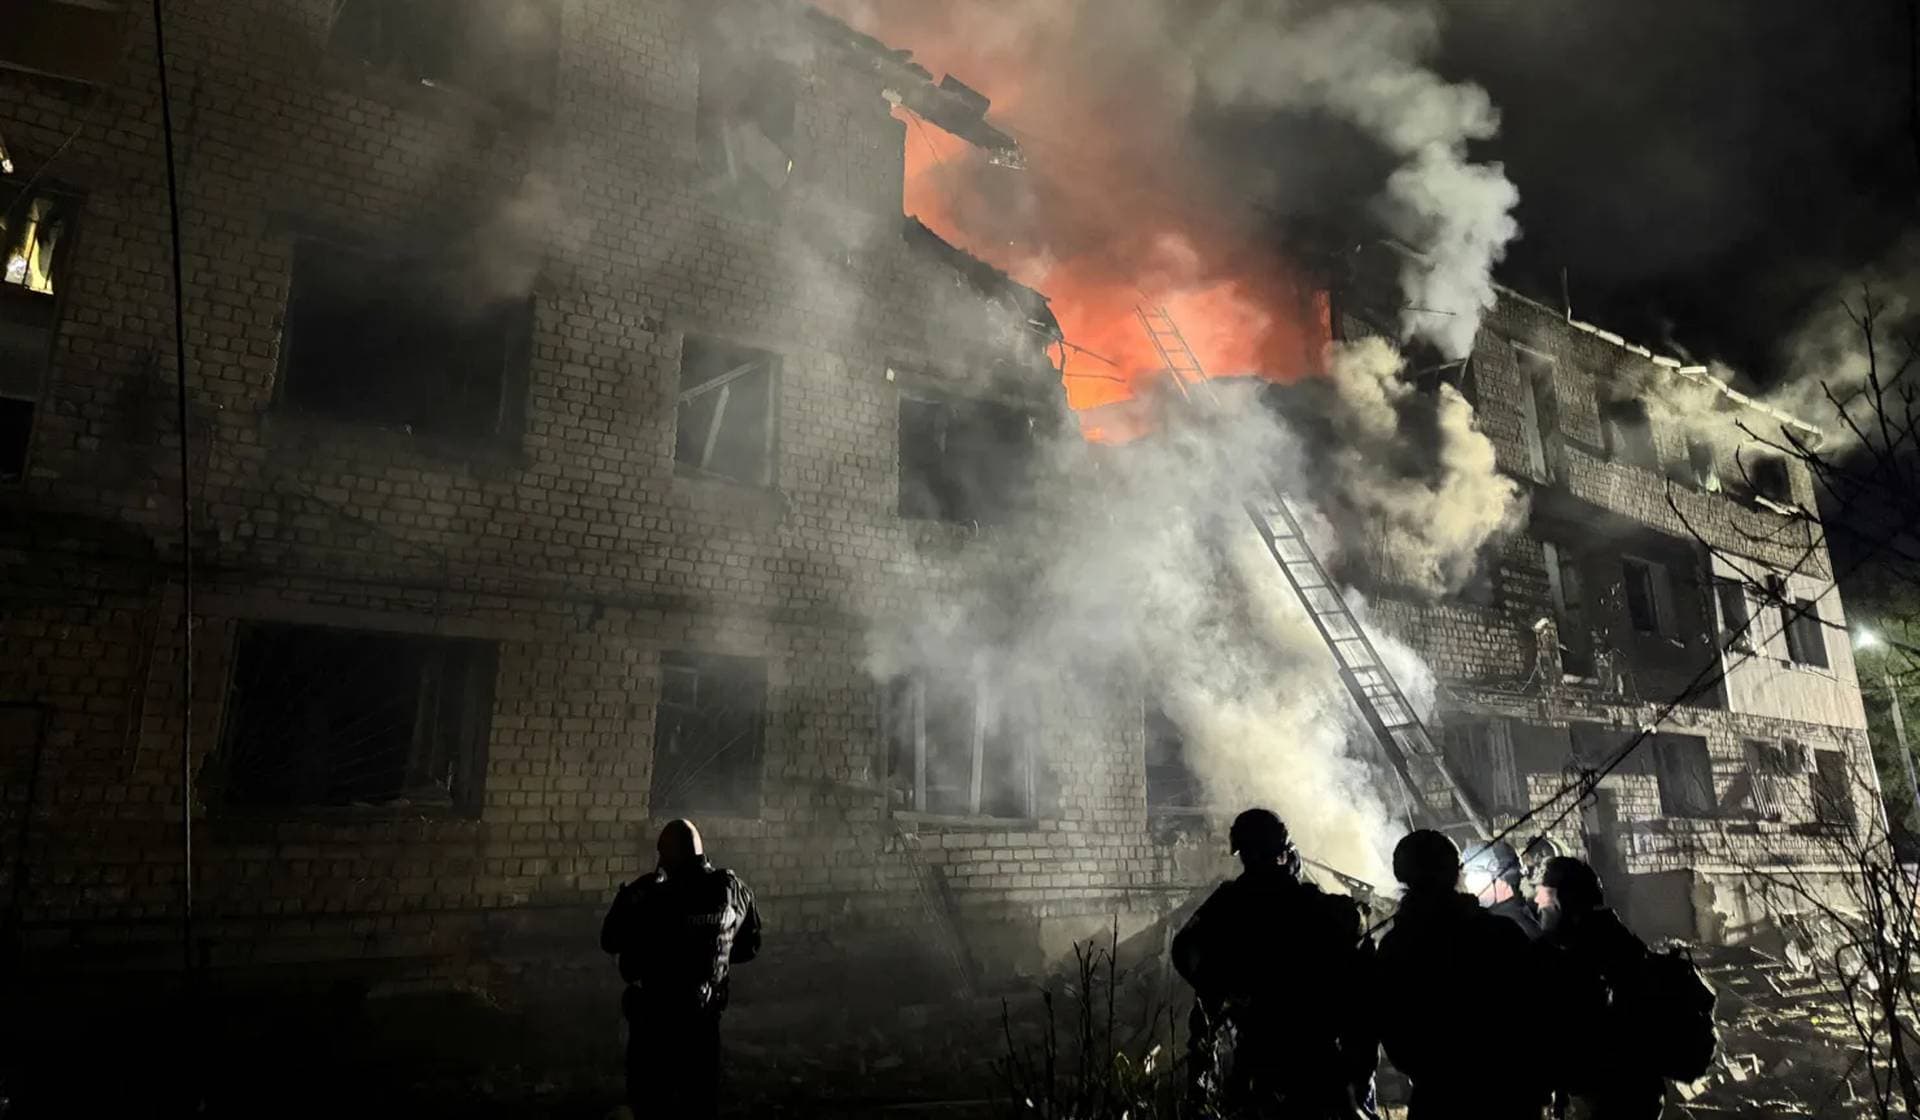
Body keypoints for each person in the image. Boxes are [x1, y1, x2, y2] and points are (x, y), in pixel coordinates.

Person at [1171, 808, 1378, 1119]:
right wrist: (1359, 912)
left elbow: (1183, 950)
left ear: (1241, 852)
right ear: (1283, 851)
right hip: (1312, 1050)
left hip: (1255, 1046)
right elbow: (1354, 940)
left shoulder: (1228, 902)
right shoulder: (1307, 901)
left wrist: (1222, 990)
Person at [1374, 830, 1546, 1120]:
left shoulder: (1395, 947)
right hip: (1508, 1097)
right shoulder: (1501, 935)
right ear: (1457, 872)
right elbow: (1537, 1017)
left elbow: (1396, 1040)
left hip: (1438, 1100)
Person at [600, 819, 762, 1120]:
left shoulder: (653, 895)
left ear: (672, 854)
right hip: (704, 1026)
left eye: (662, 853)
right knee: (699, 1104)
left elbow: (609, 940)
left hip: (656, 1028)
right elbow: (748, 947)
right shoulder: (733, 889)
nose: (659, 861)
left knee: (651, 1105)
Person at [1534, 857, 1666, 1120]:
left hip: (1612, 1096)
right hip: (1630, 1093)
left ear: (1565, 900)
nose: (1537, 901)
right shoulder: (1614, 940)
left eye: (1544, 894)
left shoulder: (1587, 953)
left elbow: (1569, 1030)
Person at [1464, 840, 1541, 939]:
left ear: (1503, 879)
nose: (1468, 880)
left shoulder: (1509, 928)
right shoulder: (1511, 915)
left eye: (1476, 872)